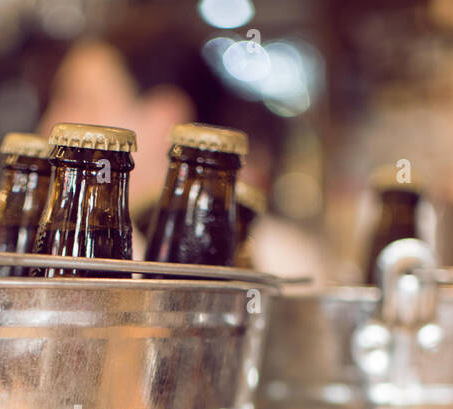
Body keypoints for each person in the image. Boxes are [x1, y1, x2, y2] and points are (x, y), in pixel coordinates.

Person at [33, 18, 325, 282]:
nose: (48, 125)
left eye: (79, 100)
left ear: (164, 118)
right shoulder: (62, 241)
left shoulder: (275, 260)